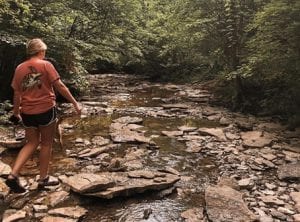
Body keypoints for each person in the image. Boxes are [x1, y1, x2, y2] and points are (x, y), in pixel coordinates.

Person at [5, 38, 81, 193]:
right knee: (46, 143)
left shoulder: (19, 68)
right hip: (46, 110)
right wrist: (75, 103)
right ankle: (43, 179)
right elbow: (59, 85)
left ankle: (13, 175)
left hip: (27, 112)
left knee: (31, 143)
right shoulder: (46, 65)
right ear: (41, 51)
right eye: (44, 51)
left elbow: (17, 92)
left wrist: (16, 113)